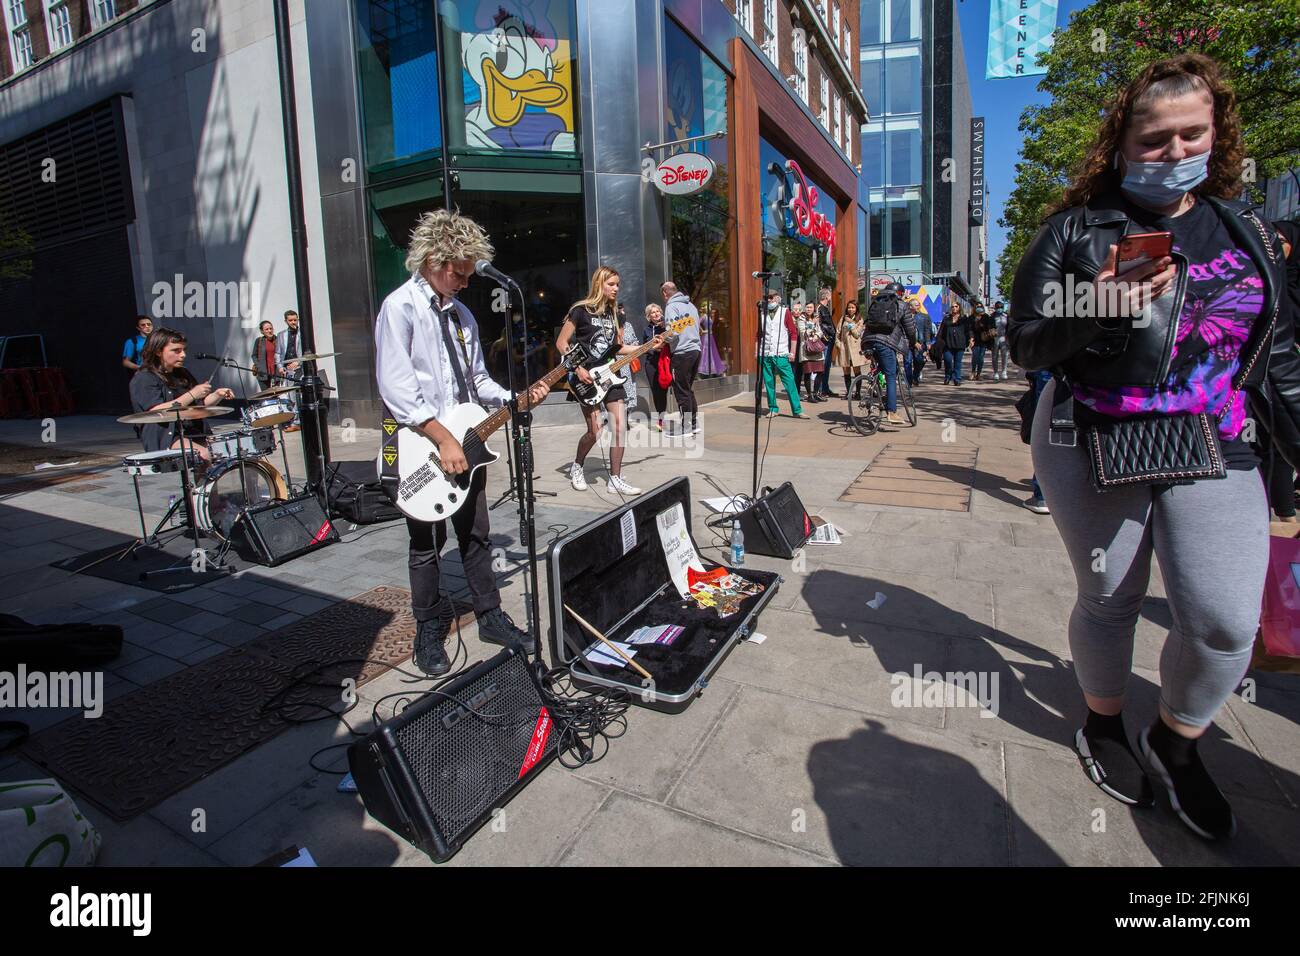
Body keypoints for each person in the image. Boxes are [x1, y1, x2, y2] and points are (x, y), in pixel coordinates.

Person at [1009, 54, 1300, 840]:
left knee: (1224, 623)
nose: (1174, 153)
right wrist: (1096, 305)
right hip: (1091, 431)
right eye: (1155, 137)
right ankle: (1104, 725)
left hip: (1217, 438)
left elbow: (1279, 355)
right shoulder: (1075, 227)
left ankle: (1178, 740)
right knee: (1112, 597)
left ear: (1218, 135)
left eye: (1191, 135)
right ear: (1123, 141)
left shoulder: (1251, 232)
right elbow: (1028, 344)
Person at [374, 208, 547, 675]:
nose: (466, 280)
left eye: (471, 271)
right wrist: (442, 437)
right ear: (433, 258)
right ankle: (428, 628)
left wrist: (515, 397)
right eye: (460, 271)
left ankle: (489, 616)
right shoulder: (400, 307)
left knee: (476, 533)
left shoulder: (462, 315)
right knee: (425, 543)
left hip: (465, 439)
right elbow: (396, 387)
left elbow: (476, 381)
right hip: (419, 443)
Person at [559, 266, 665, 494]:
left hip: (611, 377)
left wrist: (647, 346)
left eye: (618, 284)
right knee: (595, 431)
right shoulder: (580, 310)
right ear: (600, 284)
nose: (616, 288)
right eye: (612, 284)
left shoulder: (615, 313)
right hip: (585, 378)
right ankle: (578, 466)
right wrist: (577, 368)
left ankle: (615, 479)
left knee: (619, 428)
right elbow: (561, 342)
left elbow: (619, 348)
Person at [129, 327, 234, 460]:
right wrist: (192, 394)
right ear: (158, 351)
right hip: (167, 435)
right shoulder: (144, 378)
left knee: (234, 452)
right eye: (176, 351)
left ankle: (208, 481)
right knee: (204, 455)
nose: (183, 355)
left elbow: (198, 405)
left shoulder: (182, 373)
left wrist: (217, 395)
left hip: (193, 430)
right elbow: (156, 411)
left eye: (183, 350)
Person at [861, 281, 917, 426]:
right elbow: (910, 329)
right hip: (886, 343)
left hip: (869, 340)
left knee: (880, 369)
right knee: (891, 375)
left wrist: (865, 344)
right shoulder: (901, 305)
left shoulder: (876, 302)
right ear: (900, 293)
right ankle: (892, 412)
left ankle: (873, 391)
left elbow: (868, 323)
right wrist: (913, 342)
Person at [661, 281, 702, 434]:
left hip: (682, 352)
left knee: (681, 390)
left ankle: (685, 427)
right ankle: (693, 423)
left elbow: (673, 332)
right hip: (695, 351)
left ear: (665, 293)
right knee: (687, 389)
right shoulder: (691, 306)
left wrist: (663, 339)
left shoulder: (671, 306)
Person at [758, 291, 807, 419]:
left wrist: (792, 352)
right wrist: (756, 352)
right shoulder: (762, 313)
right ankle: (773, 408)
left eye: (771, 297)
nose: (768, 300)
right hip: (766, 354)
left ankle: (797, 410)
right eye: (766, 298)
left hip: (781, 353)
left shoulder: (785, 312)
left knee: (789, 382)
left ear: (777, 298)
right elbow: (759, 334)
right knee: (769, 383)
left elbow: (793, 333)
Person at [641, 303, 671, 430]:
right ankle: (660, 419)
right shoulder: (647, 330)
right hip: (651, 363)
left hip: (665, 362)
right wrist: (654, 348)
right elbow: (644, 348)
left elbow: (672, 341)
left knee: (664, 389)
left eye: (657, 311)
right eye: (652, 312)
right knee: (656, 391)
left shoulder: (667, 327)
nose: (656, 314)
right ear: (649, 316)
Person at [276, 309, 303, 432]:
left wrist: (298, 362)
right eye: (290, 320)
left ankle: (298, 421)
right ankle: (294, 421)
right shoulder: (281, 335)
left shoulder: (303, 333)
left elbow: (307, 350)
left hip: (300, 368)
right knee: (290, 396)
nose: (293, 322)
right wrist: (280, 367)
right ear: (286, 321)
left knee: (300, 395)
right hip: (287, 369)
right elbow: (278, 353)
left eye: (295, 320)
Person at [795, 301, 825, 402]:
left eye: (811, 307)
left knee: (820, 371)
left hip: (816, 348)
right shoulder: (801, 319)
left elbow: (820, 330)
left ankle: (815, 393)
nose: (809, 309)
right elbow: (803, 333)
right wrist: (812, 324)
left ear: (813, 308)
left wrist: (817, 335)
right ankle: (809, 395)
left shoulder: (816, 317)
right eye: (807, 307)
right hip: (806, 349)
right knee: (807, 373)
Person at [936, 301, 971, 385]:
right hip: (948, 344)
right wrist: (938, 340)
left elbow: (968, 331)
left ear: (959, 308)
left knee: (957, 363)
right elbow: (941, 331)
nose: (954, 308)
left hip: (960, 344)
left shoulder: (964, 319)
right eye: (952, 306)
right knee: (948, 361)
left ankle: (957, 379)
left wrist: (970, 339)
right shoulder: (946, 318)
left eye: (956, 306)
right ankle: (948, 376)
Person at [836, 300, 864, 397]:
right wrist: (838, 344)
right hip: (844, 348)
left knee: (857, 371)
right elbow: (838, 332)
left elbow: (857, 335)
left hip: (855, 349)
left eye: (853, 307)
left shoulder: (860, 320)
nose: (851, 309)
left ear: (856, 309)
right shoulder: (843, 319)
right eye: (849, 307)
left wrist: (852, 326)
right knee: (846, 370)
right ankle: (849, 393)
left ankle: (858, 393)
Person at [816, 287, 837, 397]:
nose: (830, 298)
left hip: (828, 340)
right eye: (829, 296)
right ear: (826, 296)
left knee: (827, 365)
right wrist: (827, 336)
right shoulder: (820, 308)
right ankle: (820, 389)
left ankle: (825, 388)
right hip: (825, 340)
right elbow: (820, 324)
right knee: (823, 365)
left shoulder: (823, 308)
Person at [251, 320, 281, 392]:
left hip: (276, 372)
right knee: (266, 395)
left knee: (275, 394)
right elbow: (254, 355)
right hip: (263, 373)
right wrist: (259, 367)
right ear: (262, 331)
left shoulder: (278, 340)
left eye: (271, 328)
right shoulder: (259, 341)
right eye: (266, 329)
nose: (269, 331)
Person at [911, 300, 935, 385]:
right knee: (908, 362)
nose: (918, 306)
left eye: (918, 305)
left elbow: (927, 330)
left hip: (921, 343)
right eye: (916, 305)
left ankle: (915, 375)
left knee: (920, 361)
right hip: (908, 343)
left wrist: (928, 342)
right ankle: (910, 381)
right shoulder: (906, 317)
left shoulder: (925, 317)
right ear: (911, 307)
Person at [699, 306, 727, 377]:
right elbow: (697, 323)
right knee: (706, 352)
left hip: (710, 336)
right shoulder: (704, 316)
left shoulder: (709, 316)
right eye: (708, 309)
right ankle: (705, 369)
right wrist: (702, 331)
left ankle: (712, 369)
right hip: (706, 336)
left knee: (712, 352)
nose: (709, 310)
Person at [970, 304, 993, 380]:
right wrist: (971, 338)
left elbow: (988, 327)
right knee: (975, 356)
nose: (978, 308)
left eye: (980, 307)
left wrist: (982, 325)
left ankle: (978, 373)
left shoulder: (986, 317)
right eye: (977, 307)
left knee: (981, 357)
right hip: (975, 339)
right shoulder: (972, 317)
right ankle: (973, 372)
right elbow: (970, 329)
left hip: (983, 339)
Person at [990, 301, 1011, 381]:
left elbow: (1009, 327)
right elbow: (989, 326)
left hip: (1004, 338)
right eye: (998, 307)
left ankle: (1004, 371)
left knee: (1005, 355)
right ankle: (995, 372)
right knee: (994, 356)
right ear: (995, 308)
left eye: (1001, 307)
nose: (999, 309)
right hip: (994, 338)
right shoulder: (992, 316)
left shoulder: (1006, 316)